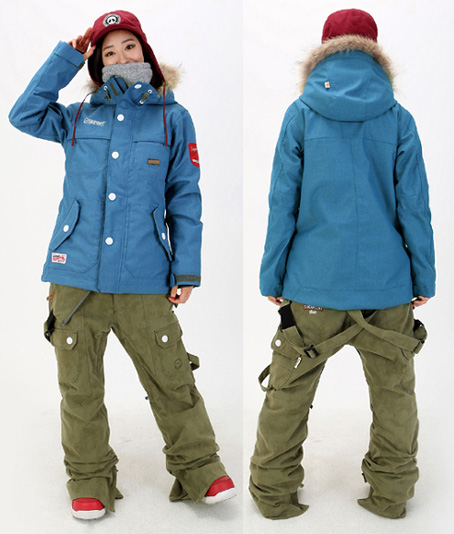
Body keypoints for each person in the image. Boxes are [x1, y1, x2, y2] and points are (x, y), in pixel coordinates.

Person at [9, 10, 235, 521]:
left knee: (171, 376)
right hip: (75, 274)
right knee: (80, 387)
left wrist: (186, 270)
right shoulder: (76, 117)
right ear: (97, 65)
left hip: (144, 275)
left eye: (128, 46)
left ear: (146, 52)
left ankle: (200, 467)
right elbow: (23, 114)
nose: (119, 57)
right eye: (107, 52)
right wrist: (67, 58)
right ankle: (89, 479)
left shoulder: (172, 117)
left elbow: (185, 195)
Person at [249, 8, 435, 520]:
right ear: (375, 51)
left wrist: (273, 275)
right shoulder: (398, 118)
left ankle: (273, 495)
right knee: (394, 395)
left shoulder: (301, 113)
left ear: (323, 50)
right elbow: (414, 206)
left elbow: (282, 202)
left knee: (288, 393)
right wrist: (423, 275)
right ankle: (391, 496)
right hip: (387, 285)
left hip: (313, 284)